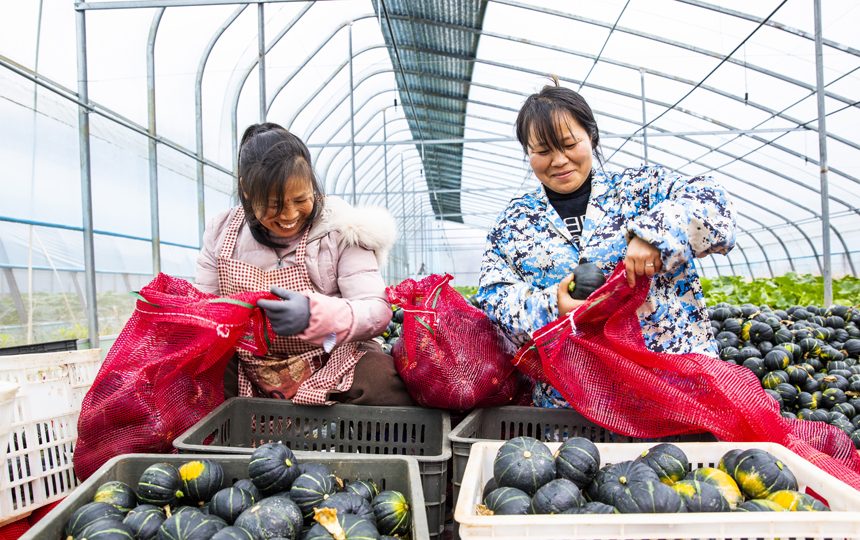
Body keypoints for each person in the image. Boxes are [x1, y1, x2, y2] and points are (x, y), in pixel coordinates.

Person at [477, 77, 737, 408]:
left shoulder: (641, 191)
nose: (559, 160)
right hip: (575, 401)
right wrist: (553, 306)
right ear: (528, 153)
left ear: (592, 137)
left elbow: (714, 202)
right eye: (542, 151)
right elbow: (493, 299)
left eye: (569, 144)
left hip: (671, 388)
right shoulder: (514, 224)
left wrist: (654, 234)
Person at [196, 123, 413, 406]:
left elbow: (376, 310)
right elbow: (205, 312)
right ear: (246, 191)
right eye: (273, 205)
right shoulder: (222, 233)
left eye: (301, 199)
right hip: (252, 365)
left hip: (333, 356)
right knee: (196, 379)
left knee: (383, 384)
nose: (289, 215)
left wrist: (315, 316)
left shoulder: (341, 226)